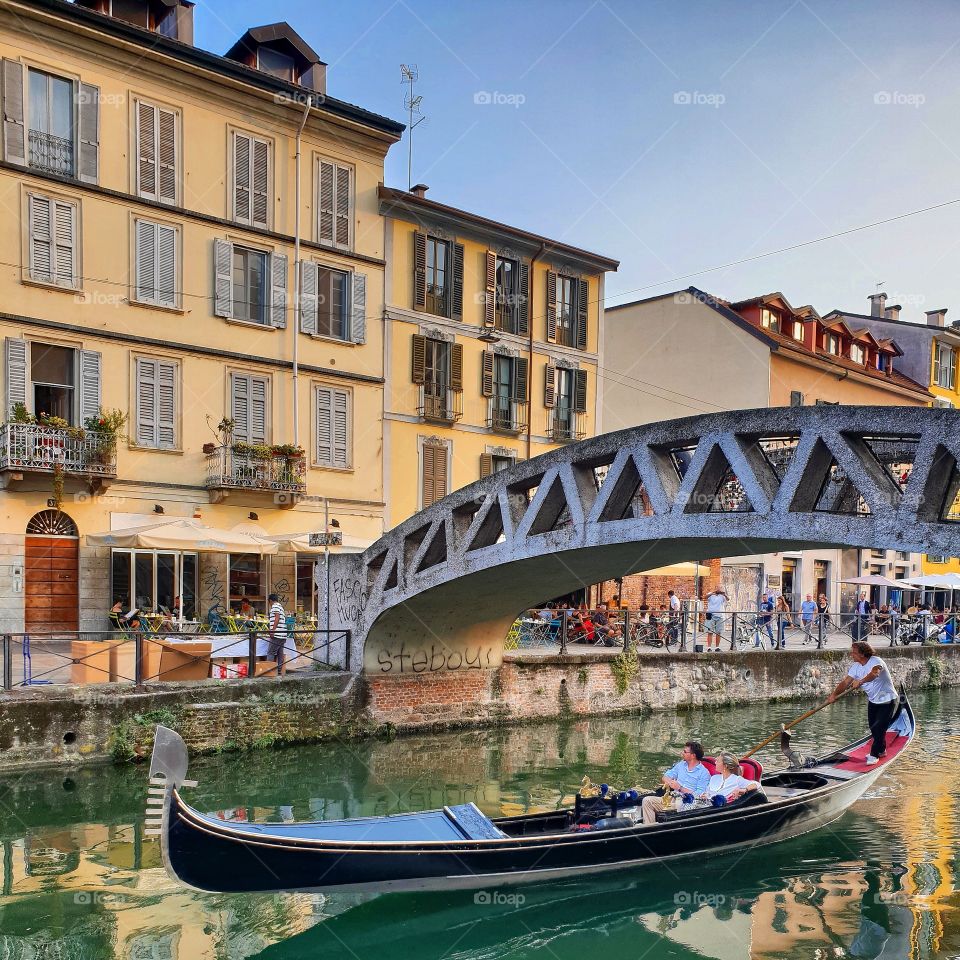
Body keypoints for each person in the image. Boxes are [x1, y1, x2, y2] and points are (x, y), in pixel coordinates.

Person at [826, 641, 898, 765]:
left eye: (854, 653)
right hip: (873, 701)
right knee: (874, 729)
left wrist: (861, 681)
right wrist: (834, 695)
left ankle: (874, 755)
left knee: (878, 728)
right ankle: (881, 750)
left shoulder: (876, 661)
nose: (851, 655)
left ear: (863, 654)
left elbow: (874, 673)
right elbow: (845, 682)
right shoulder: (856, 667)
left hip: (887, 699)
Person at [640, 741, 711, 824]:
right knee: (647, 800)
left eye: (685, 752)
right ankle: (649, 829)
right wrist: (671, 783)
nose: (682, 753)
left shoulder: (704, 773)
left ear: (693, 755)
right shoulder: (681, 765)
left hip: (687, 803)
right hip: (673, 798)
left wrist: (680, 788)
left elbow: (699, 795)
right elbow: (665, 777)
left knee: (651, 802)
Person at [267, 593, 287, 676]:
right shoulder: (280, 607)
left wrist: (272, 630)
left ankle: (268, 671)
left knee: (270, 652)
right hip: (282, 634)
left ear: (270, 600)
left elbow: (277, 617)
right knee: (280, 653)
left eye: (269, 602)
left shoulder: (275, 606)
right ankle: (279, 671)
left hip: (277, 633)